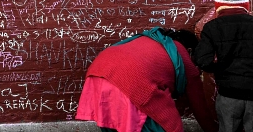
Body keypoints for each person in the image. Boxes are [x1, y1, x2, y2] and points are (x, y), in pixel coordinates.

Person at [76, 27, 218, 132]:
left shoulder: (150, 39)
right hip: (130, 80)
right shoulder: (183, 55)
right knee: (171, 126)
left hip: (98, 73)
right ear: (190, 51)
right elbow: (199, 107)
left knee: (113, 125)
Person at [193, 0, 253, 132]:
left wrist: (220, 69)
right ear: (244, 3)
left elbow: (202, 60)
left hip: (228, 94)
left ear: (219, 4)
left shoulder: (212, 27)